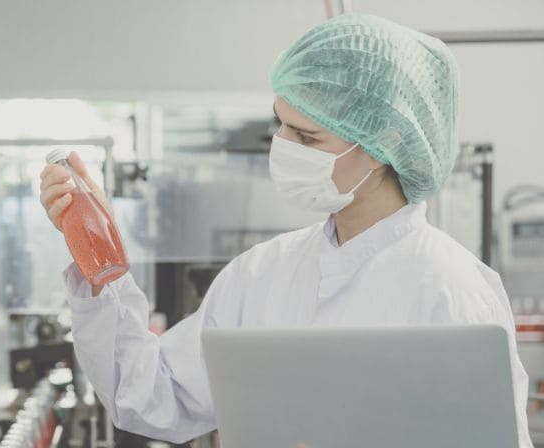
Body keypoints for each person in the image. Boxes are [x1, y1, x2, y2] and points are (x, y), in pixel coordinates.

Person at [38, 12, 533, 447]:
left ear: (384, 142)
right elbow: (152, 395)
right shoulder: (261, 274)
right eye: (281, 124)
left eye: (306, 135)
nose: (282, 145)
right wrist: (98, 262)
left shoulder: (452, 290)